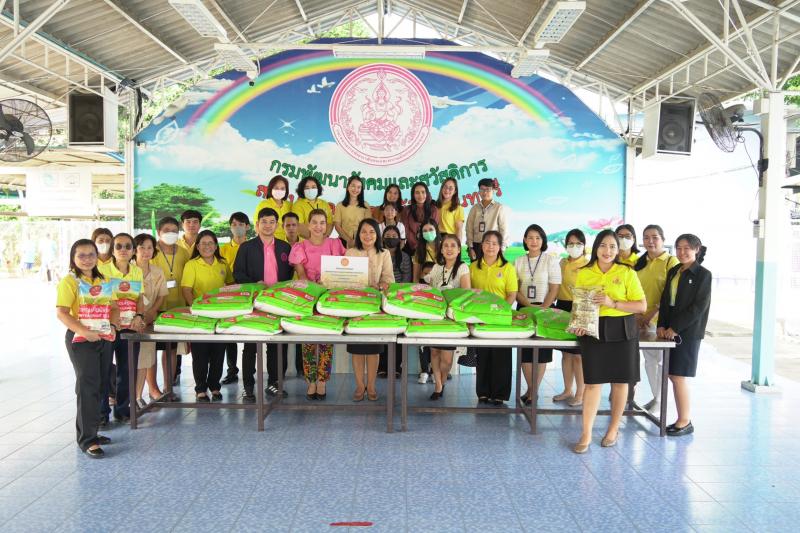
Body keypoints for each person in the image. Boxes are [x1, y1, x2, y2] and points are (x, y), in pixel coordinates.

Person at [571, 230, 647, 454]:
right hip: (593, 330)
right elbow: (580, 304)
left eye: (613, 246)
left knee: (620, 383)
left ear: (618, 250)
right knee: (592, 383)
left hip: (623, 329)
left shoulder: (627, 272)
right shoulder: (584, 272)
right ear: (596, 248)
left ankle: (613, 430)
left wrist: (613, 303)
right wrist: (578, 323)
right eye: (603, 246)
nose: (608, 251)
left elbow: (641, 306)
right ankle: (586, 433)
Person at [56, 239, 119, 458]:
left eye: (91, 254)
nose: (87, 259)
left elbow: (114, 307)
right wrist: (84, 331)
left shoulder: (105, 279)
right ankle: (87, 440)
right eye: (81, 255)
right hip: (80, 339)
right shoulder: (69, 281)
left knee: (100, 385)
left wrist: (113, 326)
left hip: (103, 336)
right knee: (87, 386)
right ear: (73, 258)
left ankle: (92, 431)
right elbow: (62, 312)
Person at [233, 207, 294, 401]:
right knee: (251, 346)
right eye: (264, 222)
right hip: (254, 303)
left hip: (278, 303)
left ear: (277, 225)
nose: (268, 225)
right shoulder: (246, 247)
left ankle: (275, 383)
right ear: (257, 224)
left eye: (272, 222)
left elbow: (290, 274)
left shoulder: (285, 247)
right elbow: (238, 273)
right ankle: (248, 386)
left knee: (278, 346)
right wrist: (255, 283)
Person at [289, 209, 346, 400]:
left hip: (329, 299)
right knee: (308, 341)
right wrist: (315, 288)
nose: (318, 226)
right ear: (308, 224)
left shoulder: (334, 244)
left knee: (325, 341)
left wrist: (329, 283)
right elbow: (301, 275)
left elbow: (341, 270)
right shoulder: (300, 246)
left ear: (327, 225)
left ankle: (322, 381)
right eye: (314, 222)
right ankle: (310, 381)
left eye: (322, 222)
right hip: (308, 298)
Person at [657, 234, 711, 437]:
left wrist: (676, 328)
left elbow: (698, 307)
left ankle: (684, 421)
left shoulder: (703, 275)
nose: (682, 252)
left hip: (687, 332)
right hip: (670, 330)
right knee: (672, 375)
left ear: (697, 249)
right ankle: (682, 419)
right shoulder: (674, 271)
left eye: (687, 248)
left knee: (678, 376)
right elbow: (666, 301)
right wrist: (662, 325)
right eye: (679, 248)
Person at [99, 233, 146, 423]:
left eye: (128, 246)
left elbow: (140, 298)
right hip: (107, 327)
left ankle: (123, 409)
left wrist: (139, 316)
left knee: (127, 370)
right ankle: (102, 413)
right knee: (103, 370)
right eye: (118, 246)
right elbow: (99, 298)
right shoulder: (101, 270)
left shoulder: (137, 271)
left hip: (130, 327)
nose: (123, 250)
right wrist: (113, 318)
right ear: (112, 249)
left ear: (134, 251)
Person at [346, 219, 395, 401]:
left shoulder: (384, 253)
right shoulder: (350, 252)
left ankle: (372, 386)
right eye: (364, 232)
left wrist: (381, 285)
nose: (367, 236)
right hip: (355, 306)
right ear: (358, 234)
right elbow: (343, 278)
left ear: (377, 234)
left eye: (372, 232)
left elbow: (389, 279)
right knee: (357, 348)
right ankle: (360, 386)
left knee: (373, 348)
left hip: (375, 305)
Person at [181, 230, 233, 402]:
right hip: (200, 316)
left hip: (220, 316)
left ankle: (215, 387)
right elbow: (186, 290)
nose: (207, 246)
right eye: (203, 243)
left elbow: (231, 285)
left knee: (218, 353)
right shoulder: (192, 264)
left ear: (216, 246)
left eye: (210, 243)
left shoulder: (222, 264)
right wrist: (196, 309)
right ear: (197, 246)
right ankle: (200, 389)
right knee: (200, 354)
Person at [634, 224, 680, 413]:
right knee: (649, 360)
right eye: (646, 237)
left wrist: (651, 313)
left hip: (659, 321)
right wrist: (637, 314)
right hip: (638, 318)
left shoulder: (671, 262)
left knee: (659, 360)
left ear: (663, 239)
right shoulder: (639, 262)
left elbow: (672, 293)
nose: (650, 241)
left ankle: (660, 400)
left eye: (655, 237)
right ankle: (656, 397)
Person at [469, 231, 518, 405]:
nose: (490, 246)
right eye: (487, 242)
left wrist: (500, 312)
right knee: (483, 355)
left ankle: (499, 394)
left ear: (500, 247)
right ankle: (483, 392)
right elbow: (469, 293)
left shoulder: (507, 268)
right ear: (482, 245)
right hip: (480, 319)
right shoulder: (473, 267)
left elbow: (512, 294)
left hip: (500, 319)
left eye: (494, 243)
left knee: (501, 356)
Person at [515, 224, 561, 405]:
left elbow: (554, 288)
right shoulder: (518, 261)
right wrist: (528, 306)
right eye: (530, 237)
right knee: (525, 352)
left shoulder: (551, 260)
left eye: (538, 238)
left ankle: (532, 391)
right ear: (525, 240)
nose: (534, 241)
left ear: (543, 240)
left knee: (542, 353)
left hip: (546, 309)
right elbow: (514, 288)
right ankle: (531, 390)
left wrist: (543, 308)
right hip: (524, 309)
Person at [424, 233, 471, 399]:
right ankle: (438, 385)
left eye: (453, 246)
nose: (449, 249)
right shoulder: (437, 267)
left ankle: (442, 381)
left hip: (452, 319)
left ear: (458, 250)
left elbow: (466, 293)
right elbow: (431, 291)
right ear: (441, 250)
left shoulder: (463, 268)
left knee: (447, 359)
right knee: (434, 352)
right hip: (436, 317)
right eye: (446, 246)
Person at [151, 216, 191, 390]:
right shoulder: (152, 251)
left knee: (172, 349)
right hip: (155, 306)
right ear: (159, 232)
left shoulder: (183, 252)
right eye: (166, 230)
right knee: (151, 350)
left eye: (174, 231)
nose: (171, 234)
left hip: (177, 306)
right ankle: (153, 388)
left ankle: (168, 388)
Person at [553, 229, 589, 406]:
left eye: (578, 243)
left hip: (580, 308)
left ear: (584, 245)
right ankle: (568, 390)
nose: (574, 247)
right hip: (562, 306)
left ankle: (581, 393)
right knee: (566, 353)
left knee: (578, 356)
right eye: (571, 243)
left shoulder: (588, 264)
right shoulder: (561, 262)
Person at [132, 233, 169, 408]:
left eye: (149, 248)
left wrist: (153, 311)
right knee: (131, 360)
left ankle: (138, 397)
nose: (146, 251)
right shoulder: (129, 270)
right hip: (130, 320)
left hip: (148, 320)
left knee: (145, 358)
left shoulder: (157, 271)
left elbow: (162, 295)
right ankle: (128, 398)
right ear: (135, 250)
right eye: (142, 247)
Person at [220, 212, 251, 385]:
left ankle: (250, 370)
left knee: (249, 332)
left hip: (249, 293)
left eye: (240, 224)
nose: (237, 227)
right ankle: (232, 370)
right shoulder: (223, 249)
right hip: (229, 295)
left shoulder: (253, 246)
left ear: (247, 227)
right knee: (229, 333)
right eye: (233, 224)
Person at [377, 225, 410, 379]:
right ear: (382, 238)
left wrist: (395, 294)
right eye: (388, 236)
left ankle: (396, 367)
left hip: (398, 299)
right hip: (380, 296)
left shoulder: (405, 257)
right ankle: (382, 366)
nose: (391, 238)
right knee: (382, 331)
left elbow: (406, 279)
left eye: (394, 236)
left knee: (397, 333)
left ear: (399, 238)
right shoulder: (378, 254)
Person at [281, 211, 303, 375]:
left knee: (301, 332)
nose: (291, 228)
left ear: (299, 226)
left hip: (302, 294)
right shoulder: (278, 246)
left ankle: (302, 369)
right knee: (282, 334)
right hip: (284, 295)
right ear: (282, 227)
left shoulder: (305, 245)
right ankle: (280, 372)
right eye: (287, 225)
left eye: (294, 225)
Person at [466, 178, 508, 261]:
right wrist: (470, 247)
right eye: (482, 189)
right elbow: (469, 229)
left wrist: (502, 249)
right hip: (476, 246)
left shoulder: (499, 208)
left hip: (492, 246)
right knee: (476, 268)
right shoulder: (474, 208)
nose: (485, 192)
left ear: (493, 191)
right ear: (479, 192)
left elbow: (504, 229)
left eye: (488, 189)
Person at [401, 182, 439, 257]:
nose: (420, 195)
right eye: (417, 193)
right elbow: (406, 231)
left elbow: (433, 230)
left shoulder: (434, 210)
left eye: (423, 192)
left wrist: (426, 247)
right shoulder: (407, 210)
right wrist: (417, 246)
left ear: (427, 193)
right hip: (412, 247)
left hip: (430, 247)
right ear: (413, 195)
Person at [334, 176, 371, 249]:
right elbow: (337, 226)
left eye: (359, 187)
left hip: (361, 242)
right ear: (348, 187)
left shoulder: (365, 205)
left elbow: (368, 225)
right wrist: (349, 240)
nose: (356, 189)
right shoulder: (340, 205)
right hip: (343, 241)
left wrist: (359, 240)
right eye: (353, 186)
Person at [253, 175, 293, 242]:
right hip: (270, 242)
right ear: (271, 188)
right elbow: (257, 226)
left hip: (288, 243)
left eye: (282, 188)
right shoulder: (263, 204)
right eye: (276, 188)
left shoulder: (290, 205)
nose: (279, 190)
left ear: (286, 191)